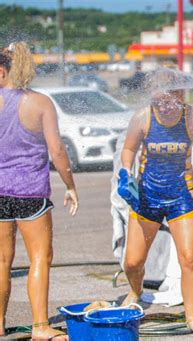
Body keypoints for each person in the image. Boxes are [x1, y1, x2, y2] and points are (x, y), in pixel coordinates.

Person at [119, 85, 193, 337]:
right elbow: (129, 149)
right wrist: (125, 170)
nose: (165, 106)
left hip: (182, 196)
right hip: (147, 196)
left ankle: (191, 316)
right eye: (160, 101)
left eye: (171, 100)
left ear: (180, 97)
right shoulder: (143, 117)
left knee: (189, 259)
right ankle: (134, 291)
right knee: (133, 261)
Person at [0, 42, 79, 340]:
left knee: (2, 261)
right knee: (39, 258)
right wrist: (70, 186)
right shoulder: (40, 102)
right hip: (30, 193)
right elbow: (57, 150)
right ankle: (40, 327)